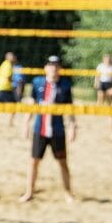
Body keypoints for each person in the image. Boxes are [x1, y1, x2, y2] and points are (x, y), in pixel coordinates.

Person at [20, 55, 76, 203]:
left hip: (58, 131)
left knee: (63, 162)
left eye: (56, 65)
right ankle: (29, 192)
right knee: (34, 162)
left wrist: (72, 126)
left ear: (60, 69)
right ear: (45, 68)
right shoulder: (38, 82)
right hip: (40, 129)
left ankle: (68, 193)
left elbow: (69, 108)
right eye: (51, 65)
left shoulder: (65, 85)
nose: (53, 68)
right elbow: (32, 104)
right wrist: (26, 123)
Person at [95, 54, 112, 139]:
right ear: (104, 59)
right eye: (106, 59)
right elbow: (97, 75)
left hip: (109, 83)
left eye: (109, 59)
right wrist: (96, 82)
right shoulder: (100, 66)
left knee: (108, 98)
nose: (107, 60)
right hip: (102, 82)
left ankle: (109, 110)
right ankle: (97, 110)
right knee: (100, 96)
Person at [0, 51, 17, 125]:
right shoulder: (8, 64)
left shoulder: (4, 63)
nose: (14, 58)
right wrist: (13, 82)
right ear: (8, 57)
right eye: (12, 56)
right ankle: (10, 122)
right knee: (14, 104)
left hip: (1, 87)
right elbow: (8, 76)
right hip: (5, 87)